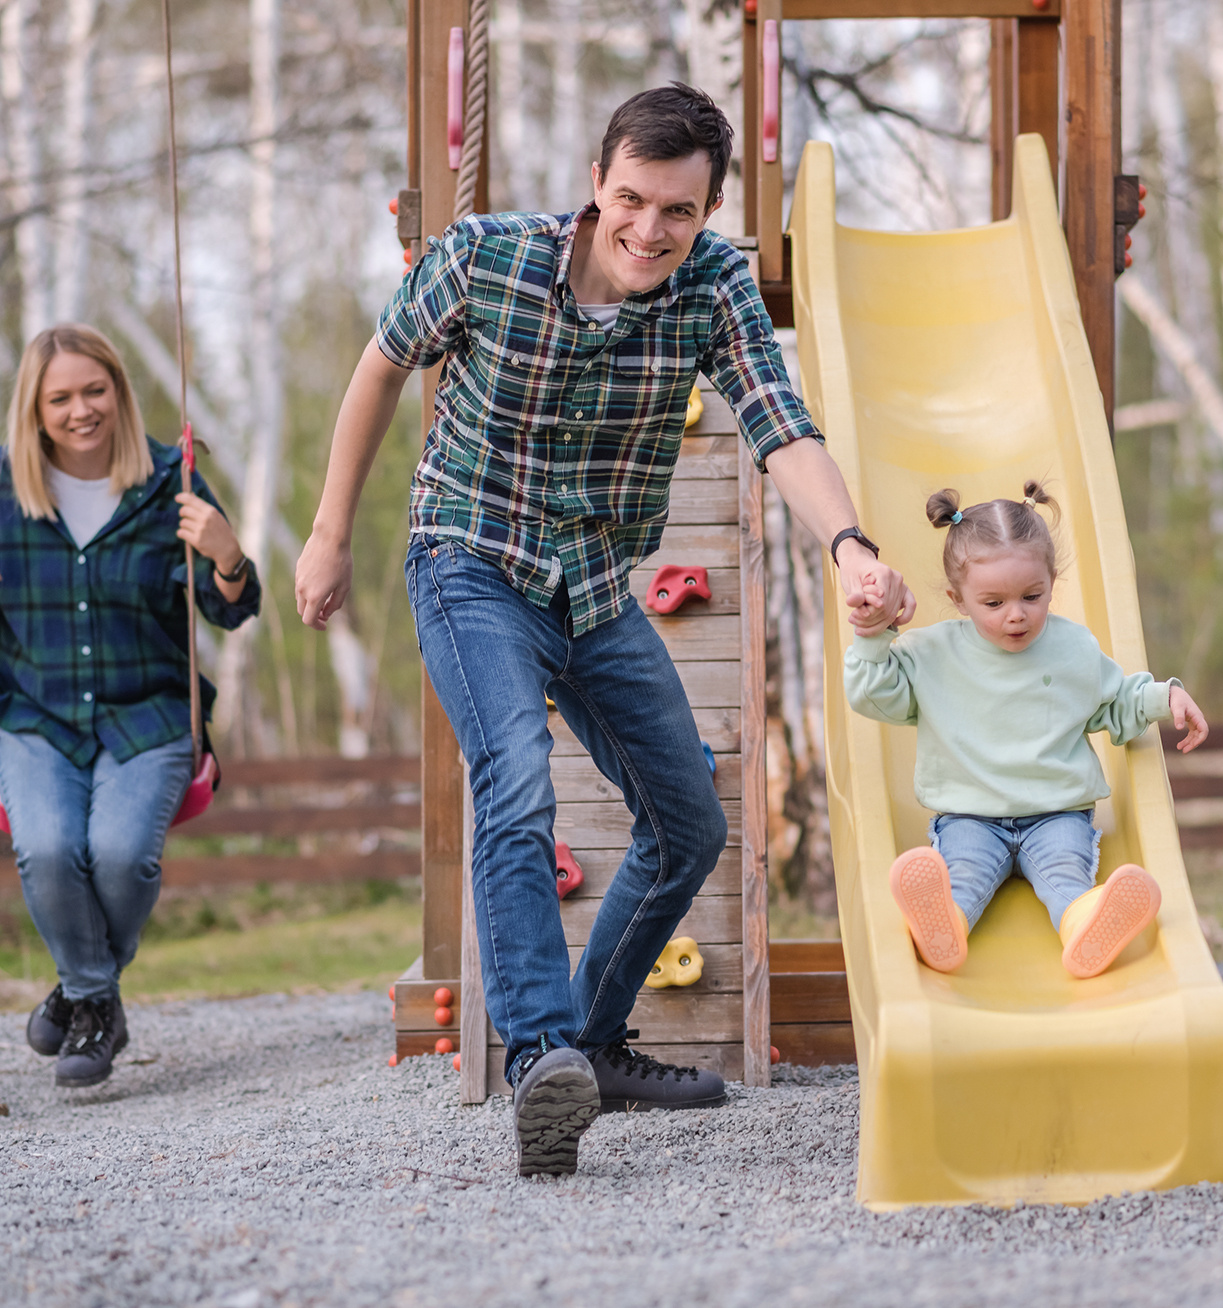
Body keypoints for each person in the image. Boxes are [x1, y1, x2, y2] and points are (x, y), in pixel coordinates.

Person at [294, 83, 915, 1176]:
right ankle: (541, 1059)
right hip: (467, 561)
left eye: (678, 212)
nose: (649, 230)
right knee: (516, 784)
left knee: (688, 828)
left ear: (707, 211)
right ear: (594, 183)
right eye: (631, 199)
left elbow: (780, 427)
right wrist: (327, 533)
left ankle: (590, 1043)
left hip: (592, 589)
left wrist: (851, 545)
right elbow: (380, 366)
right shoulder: (483, 258)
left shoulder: (713, 287)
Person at [0, 324, 261, 1088]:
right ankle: (97, 1001)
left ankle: (79, 994)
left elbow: (229, 608)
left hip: (150, 716)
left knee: (119, 854)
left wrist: (228, 555)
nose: (81, 410)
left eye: (94, 390)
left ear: (120, 393)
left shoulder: (172, 481)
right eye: (60, 397)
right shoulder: (3, 487)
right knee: (45, 848)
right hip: (39, 716)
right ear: (36, 410)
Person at [843, 484, 1209, 980]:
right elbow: (873, 694)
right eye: (993, 603)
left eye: (1031, 596)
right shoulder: (931, 654)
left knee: (1066, 877)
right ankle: (942, 925)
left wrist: (1165, 696)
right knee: (963, 878)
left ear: (1051, 583)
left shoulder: (1072, 648)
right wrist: (873, 636)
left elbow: (1114, 701)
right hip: (970, 816)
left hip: (1057, 813)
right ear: (958, 599)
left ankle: (1085, 922)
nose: (1016, 614)